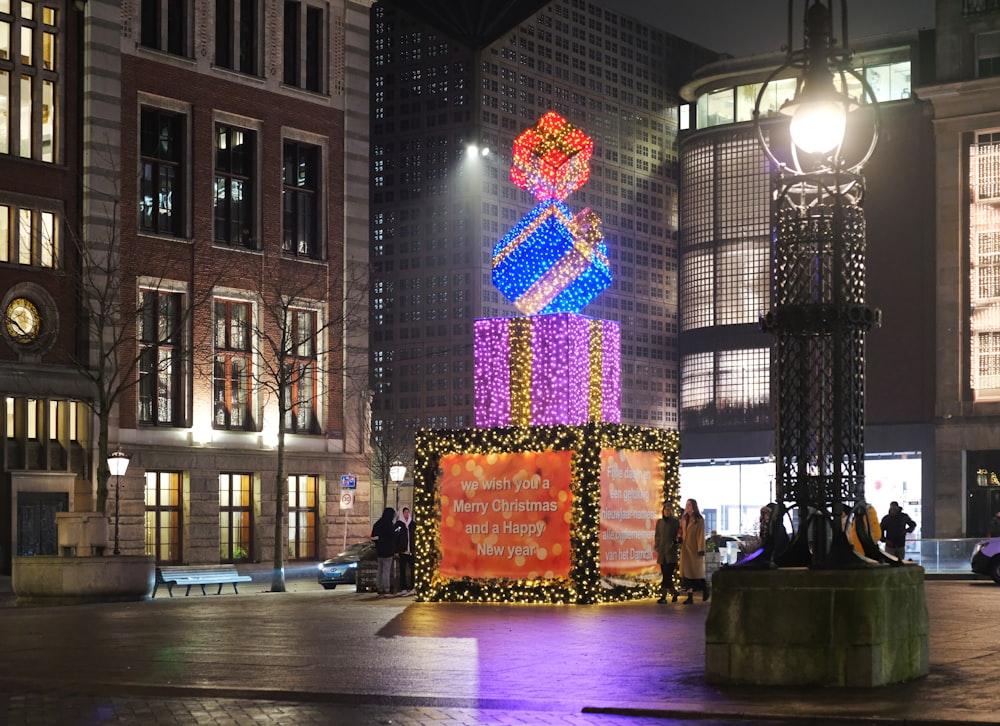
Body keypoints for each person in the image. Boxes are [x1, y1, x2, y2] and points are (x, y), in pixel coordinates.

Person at [679, 498, 708, 604]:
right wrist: (679, 538)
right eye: (686, 504)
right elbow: (681, 531)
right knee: (686, 575)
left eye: (689, 505)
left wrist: (701, 549)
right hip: (686, 549)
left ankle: (705, 588)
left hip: (694, 549)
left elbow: (701, 535)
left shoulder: (699, 519)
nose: (687, 506)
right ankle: (690, 596)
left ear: (694, 506)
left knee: (696, 573)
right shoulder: (684, 518)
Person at [653, 503, 681, 604]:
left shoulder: (675, 522)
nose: (667, 512)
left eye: (669, 510)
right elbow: (657, 535)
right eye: (665, 510)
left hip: (671, 553)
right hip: (662, 553)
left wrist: (674, 543)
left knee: (667, 576)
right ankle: (674, 592)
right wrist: (657, 545)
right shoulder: (660, 522)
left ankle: (664, 596)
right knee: (666, 576)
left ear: (672, 511)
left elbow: (679, 535)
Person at [370, 507, 397, 596]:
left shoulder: (378, 524)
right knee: (386, 571)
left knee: (380, 570)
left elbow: (373, 537)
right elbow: (393, 535)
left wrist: (379, 540)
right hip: (388, 551)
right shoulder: (389, 524)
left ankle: (379, 587)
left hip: (379, 550)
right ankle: (386, 588)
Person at [395, 506, 416, 596]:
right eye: (405, 512)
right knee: (402, 570)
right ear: (402, 514)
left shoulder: (413, 524)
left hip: (411, 551)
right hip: (402, 551)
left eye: (408, 512)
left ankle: (412, 587)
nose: (407, 514)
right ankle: (403, 587)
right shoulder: (398, 524)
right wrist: (396, 550)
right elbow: (395, 538)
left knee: (413, 570)